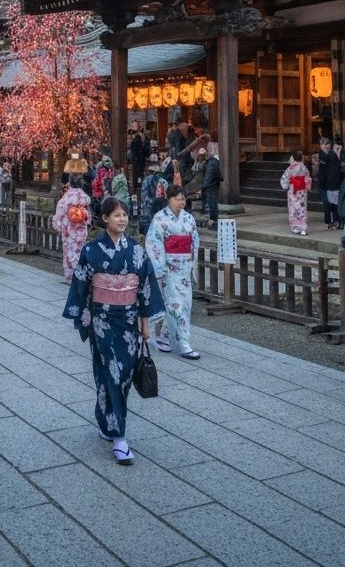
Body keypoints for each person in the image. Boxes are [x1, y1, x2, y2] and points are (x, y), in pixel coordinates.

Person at [63, 196, 164, 464]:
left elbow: (145, 288)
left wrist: (145, 324)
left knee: (124, 374)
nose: (122, 219)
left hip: (129, 320)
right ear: (105, 218)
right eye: (117, 215)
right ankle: (119, 437)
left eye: (125, 215)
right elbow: (81, 286)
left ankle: (107, 421)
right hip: (103, 322)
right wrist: (84, 318)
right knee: (112, 373)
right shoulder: (91, 250)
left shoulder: (136, 250)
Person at [145, 184, 201, 359]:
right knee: (176, 305)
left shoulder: (189, 219)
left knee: (184, 304)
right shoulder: (160, 219)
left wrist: (192, 263)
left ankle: (164, 338)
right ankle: (183, 343)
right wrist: (160, 268)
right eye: (177, 199)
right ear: (168, 200)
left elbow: (194, 242)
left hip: (184, 267)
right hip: (169, 267)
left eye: (183, 199)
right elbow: (154, 243)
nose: (181, 202)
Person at [53, 156, 92, 281]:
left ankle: (70, 275)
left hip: (69, 230)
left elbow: (59, 217)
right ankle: (80, 273)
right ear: (81, 183)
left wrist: (59, 225)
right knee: (80, 250)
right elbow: (88, 216)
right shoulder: (85, 198)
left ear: (69, 182)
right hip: (81, 229)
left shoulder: (65, 199)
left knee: (69, 252)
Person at [280, 151, 312, 236]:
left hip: (293, 191)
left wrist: (285, 186)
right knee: (302, 208)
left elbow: (285, 178)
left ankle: (295, 227)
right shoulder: (304, 168)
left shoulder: (291, 167)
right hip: (302, 192)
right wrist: (307, 187)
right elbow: (308, 179)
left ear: (293, 158)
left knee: (293, 208)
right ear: (301, 158)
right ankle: (303, 228)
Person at [316, 136, 343, 229]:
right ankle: (328, 222)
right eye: (323, 144)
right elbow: (318, 167)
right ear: (320, 146)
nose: (325, 146)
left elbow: (338, 167)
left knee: (335, 204)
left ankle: (336, 221)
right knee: (327, 204)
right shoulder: (318, 155)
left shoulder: (333, 154)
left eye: (327, 144)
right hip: (324, 183)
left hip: (334, 182)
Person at [138, 155, 168, 238]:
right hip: (160, 207)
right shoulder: (164, 181)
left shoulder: (146, 180)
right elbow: (166, 197)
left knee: (148, 226)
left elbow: (144, 197)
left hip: (149, 205)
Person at [194, 147, 223, 224]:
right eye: (200, 155)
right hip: (211, 184)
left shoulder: (211, 163)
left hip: (211, 185)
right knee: (211, 201)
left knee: (212, 201)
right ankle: (212, 218)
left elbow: (208, 177)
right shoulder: (208, 162)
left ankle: (213, 219)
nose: (201, 156)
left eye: (202, 155)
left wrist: (202, 188)